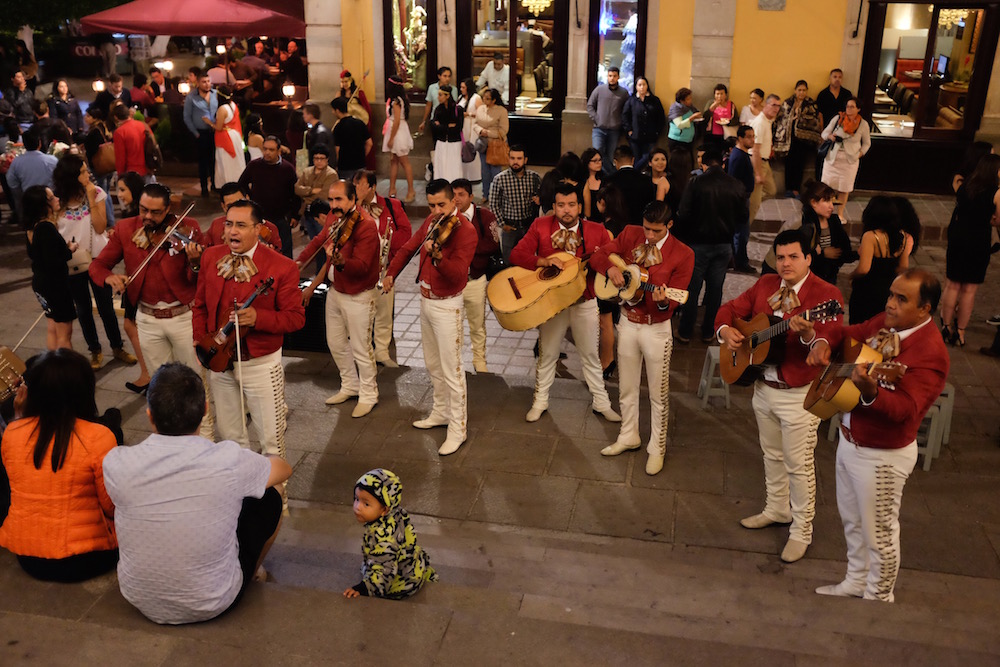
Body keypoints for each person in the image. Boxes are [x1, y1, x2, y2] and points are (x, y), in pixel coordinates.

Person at [103, 363, 291, 624]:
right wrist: (266, 456)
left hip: (138, 595)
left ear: (149, 415)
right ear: (205, 411)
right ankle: (252, 572)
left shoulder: (116, 462)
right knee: (271, 494)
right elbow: (283, 470)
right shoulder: (227, 459)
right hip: (214, 600)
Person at [807, 269, 948, 602]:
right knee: (852, 523)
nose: (891, 304)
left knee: (879, 534)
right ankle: (855, 580)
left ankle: (879, 598)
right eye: (891, 295)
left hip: (882, 456)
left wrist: (871, 391)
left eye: (902, 299)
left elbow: (906, 410)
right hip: (849, 440)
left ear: (925, 309)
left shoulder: (930, 352)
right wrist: (825, 341)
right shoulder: (885, 325)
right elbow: (848, 332)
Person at [715, 229, 844, 563]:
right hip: (763, 387)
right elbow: (730, 309)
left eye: (794, 257)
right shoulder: (766, 284)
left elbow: (829, 337)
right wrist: (726, 331)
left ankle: (802, 530)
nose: (786, 264)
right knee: (771, 454)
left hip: (797, 395)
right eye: (781, 257)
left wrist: (813, 337)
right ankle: (776, 509)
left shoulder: (826, 295)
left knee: (798, 464)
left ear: (809, 258)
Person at [193, 199, 305, 466]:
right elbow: (199, 306)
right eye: (229, 224)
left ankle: (280, 504)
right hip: (219, 362)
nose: (233, 231)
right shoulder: (211, 256)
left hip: (260, 365)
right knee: (231, 440)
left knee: (271, 442)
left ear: (258, 229)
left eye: (241, 225)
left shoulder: (282, 267)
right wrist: (201, 340)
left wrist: (259, 317)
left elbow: (296, 318)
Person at [590, 201, 694, 474]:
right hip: (626, 322)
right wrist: (610, 269)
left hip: (656, 330)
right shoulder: (630, 233)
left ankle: (656, 448)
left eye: (656, 231)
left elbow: (673, 301)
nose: (648, 235)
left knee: (658, 395)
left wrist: (661, 302)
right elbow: (597, 255)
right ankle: (628, 435)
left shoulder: (684, 254)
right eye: (646, 228)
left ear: (669, 226)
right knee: (626, 387)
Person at [90, 183, 207, 421]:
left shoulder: (187, 228)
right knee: (160, 385)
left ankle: (202, 437)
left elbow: (200, 277)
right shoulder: (125, 229)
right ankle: (168, 435)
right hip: (147, 318)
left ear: (168, 211)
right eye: (143, 210)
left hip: (183, 316)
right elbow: (97, 266)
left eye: (155, 212)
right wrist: (110, 277)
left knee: (195, 383)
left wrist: (195, 262)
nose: (147, 217)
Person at [0, 350, 119, 582]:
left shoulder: (12, 433)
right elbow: (111, 506)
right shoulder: (99, 436)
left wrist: (19, 415)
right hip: (88, 557)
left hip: (29, 557)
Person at [510, 181, 621, 425]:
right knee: (547, 354)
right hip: (551, 304)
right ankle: (540, 401)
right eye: (561, 205)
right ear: (553, 207)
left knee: (590, 355)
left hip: (585, 302)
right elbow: (517, 254)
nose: (567, 210)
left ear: (580, 206)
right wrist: (543, 262)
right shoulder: (540, 226)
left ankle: (601, 403)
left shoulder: (598, 231)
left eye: (571, 204)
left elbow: (607, 260)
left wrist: (607, 266)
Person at [382, 179, 477, 456]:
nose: (436, 211)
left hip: (448, 305)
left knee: (453, 370)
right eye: (431, 205)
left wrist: (438, 258)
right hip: (426, 301)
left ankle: (458, 428)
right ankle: (440, 412)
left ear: (454, 202)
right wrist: (391, 274)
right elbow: (409, 248)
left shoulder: (466, 231)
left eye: (441, 205)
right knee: (433, 364)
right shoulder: (430, 222)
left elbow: (459, 274)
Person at [298, 181, 381, 415]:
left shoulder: (366, 226)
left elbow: (363, 267)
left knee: (361, 348)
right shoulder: (335, 219)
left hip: (359, 295)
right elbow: (318, 241)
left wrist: (342, 263)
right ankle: (350, 385)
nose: (334, 205)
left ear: (353, 199)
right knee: (335, 342)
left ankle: (369, 393)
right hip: (335, 290)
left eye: (339, 200)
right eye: (332, 200)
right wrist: (299, 262)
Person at [54, 155, 134, 371]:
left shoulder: (97, 193)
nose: (87, 174)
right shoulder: (57, 202)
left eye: (86, 170)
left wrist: (90, 197)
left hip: (98, 259)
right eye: (82, 172)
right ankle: (95, 350)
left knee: (106, 306)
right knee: (83, 308)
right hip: (72, 263)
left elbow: (100, 227)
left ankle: (117, 347)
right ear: (71, 176)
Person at [673, 147, 748, 344]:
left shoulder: (696, 183)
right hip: (724, 246)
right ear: (723, 164)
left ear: (703, 164)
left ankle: (686, 331)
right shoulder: (736, 185)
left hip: (697, 245)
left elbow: (683, 213)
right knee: (715, 290)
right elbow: (743, 217)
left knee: (693, 289)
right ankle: (708, 331)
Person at [343, 469, 437, 599]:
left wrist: (364, 588)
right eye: (356, 499)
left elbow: (384, 571)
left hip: (401, 583)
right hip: (413, 568)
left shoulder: (383, 538)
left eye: (366, 504)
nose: (357, 507)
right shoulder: (395, 514)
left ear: (384, 509)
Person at [350, 170, 412, 367]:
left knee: (384, 311)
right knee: (361, 313)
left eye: (361, 185)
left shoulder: (391, 206)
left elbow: (406, 232)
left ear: (373, 187)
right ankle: (362, 352)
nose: (357, 189)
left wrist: (385, 242)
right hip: (360, 267)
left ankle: (382, 352)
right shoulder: (350, 208)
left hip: (384, 268)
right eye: (355, 185)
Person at [940, 153, 1000, 347]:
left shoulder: (965, 186)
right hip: (978, 240)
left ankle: (945, 326)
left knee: (952, 285)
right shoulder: (997, 192)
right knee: (969, 290)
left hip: (958, 237)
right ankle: (960, 332)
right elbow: (998, 219)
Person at [453, 178, 500, 373]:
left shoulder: (486, 216)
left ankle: (479, 360)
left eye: (461, 194)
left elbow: (493, 243)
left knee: (477, 325)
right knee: (453, 326)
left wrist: (466, 247)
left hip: (476, 280)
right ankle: (454, 362)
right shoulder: (447, 217)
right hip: (454, 283)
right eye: (453, 195)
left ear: (471, 197)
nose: (456, 199)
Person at [23, 185, 76, 349]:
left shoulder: (32, 228)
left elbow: (38, 255)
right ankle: (65, 371)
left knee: (53, 328)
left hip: (41, 284)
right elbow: (54, 262)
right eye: (52, 198)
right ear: (42, 205)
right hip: (55, 286)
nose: (57, 199)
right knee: (64, 334)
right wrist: (69, 250)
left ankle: (52, 366)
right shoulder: (46, 228)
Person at [113, 173, 152, 393]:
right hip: (132, 277)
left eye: (122, 190)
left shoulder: (140, 216)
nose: (119, 195)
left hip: (138, 280)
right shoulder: (129, 217)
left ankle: (148, 373)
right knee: (131, 326)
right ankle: (147, 372)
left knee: (132, 326)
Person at [849, 196, 915, 325]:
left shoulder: (871, 236)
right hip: (889, 288)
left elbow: (864, 269)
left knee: (860, 327)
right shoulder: (902, 236)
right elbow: (903, 267)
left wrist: (852, 275)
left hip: (867, 289)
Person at [237, 135, 299, 257]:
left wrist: (295, 215)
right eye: (265, 149)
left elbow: (295, 193)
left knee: (284, 252)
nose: (267, 152)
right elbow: (241, 184)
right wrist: (250, 197)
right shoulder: (254, 165)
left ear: (279, 151)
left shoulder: (288, 169)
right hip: (260, 217)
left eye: (271, 150)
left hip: (281, 217)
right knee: (259, 251)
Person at [489, 145, 542, 264]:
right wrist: (503, 225)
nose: (515, 162)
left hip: (529, 225)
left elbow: (541, 197)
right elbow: (493, 204)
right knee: (509, 260)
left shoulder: (534, 177)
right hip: (510, 227)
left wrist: (539, 200)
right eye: (512, 158)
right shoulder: (500, 179)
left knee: (528, 258)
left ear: (525, 160)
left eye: (519, 158)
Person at [820, 97, 871, 218]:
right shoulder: (838, 118)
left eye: (852, 107)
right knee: (827, 188)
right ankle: (826, 212)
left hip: (849, 161)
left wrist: (859, 154)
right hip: (833, 158)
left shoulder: (863, 124)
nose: (849, 109)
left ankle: (840, 214)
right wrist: (830, 136)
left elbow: (867, 143)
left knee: (844, 188)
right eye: (847, 106)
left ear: (858, 109)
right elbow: (824, 133)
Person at [773, 80, 823, 199]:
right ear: (795, 91)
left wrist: (800, 117)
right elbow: (781, 119)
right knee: (789, 164)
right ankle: (788, 189)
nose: (801, 92)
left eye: (804, 90)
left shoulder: (810, 104)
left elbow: (814, 120)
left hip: (803, 141)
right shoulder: (787, 103)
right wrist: (792, 118)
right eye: (799, 90)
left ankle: (796, 189)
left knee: (799, 164)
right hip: (789, 139)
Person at [802, 180, 856, 286]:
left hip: (829, 276)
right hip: (810, 277)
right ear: (813, 203)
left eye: (832, 202)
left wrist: (857, 254)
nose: (831, 206)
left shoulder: (834, 222)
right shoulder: (806, 224)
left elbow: (844, 249)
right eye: (827, 201)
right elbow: (801, 254)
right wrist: (823, 254)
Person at [205, 182, 283, 253]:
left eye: (240, 202)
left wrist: (269, 254)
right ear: (223, 206)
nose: (237, 208)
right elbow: (206, 254)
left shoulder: (269, 228)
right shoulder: (216, 225)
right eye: (230, 205)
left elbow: (280, 259)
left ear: (247, 198)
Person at [6, 127, 57, 222]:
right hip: (49, 200)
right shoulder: (52, 160)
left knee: (32, 228)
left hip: (29, 201)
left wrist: (21, 196)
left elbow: (11, 182)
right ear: (40, 143)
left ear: (24, 145)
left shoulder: (17, 162)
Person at [586, 67, 630, 177]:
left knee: (611, 155)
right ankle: (612, 175)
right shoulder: (599, 90)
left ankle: (607, 177)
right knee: (597, 152)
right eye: (610, 76)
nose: (612, 78)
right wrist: (596, 118)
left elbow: (627, 110)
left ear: (618, 77)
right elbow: (590, 105)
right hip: (599, 129)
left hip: (614, 130)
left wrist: (621, 123)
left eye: (614, 76)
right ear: (607, 76)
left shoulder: (624, 93)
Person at [183, 70, 219, 197]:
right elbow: (186, 117)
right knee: (203, 162)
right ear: (198, 83)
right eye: (204, 82)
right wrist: (195, 133)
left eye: (208, 81)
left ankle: (215, 184)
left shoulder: (215, 94)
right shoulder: (191, 97)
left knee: (214, 160)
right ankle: (204, 187)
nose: (207, 84)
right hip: (201, 133)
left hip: (215, 132)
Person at [749, 94, 782, 229]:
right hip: (758, 162)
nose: (776, 109)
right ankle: (744, 229)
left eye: (778, 106)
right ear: (766, 105)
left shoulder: (768, 121)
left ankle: (747, 203)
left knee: (771, 190)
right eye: (773, 105)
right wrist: (758, 173)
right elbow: (755, 150)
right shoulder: (760, 123)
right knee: (754, 204)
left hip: (765, 162)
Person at [728, 125, 757, 273]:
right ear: (740, 138)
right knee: (741, 233)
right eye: (749, 136)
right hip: (739, 200)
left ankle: (736, 260)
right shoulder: (738, 157)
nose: (752, 139)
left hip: (742, 198)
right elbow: (734, 180)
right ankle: (740, 262)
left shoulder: (742, 154)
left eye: (753, 136)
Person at [204, 85, 245, 188]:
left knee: (226, 163)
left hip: (225, 137)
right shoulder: (233, 105)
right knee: (236, 162)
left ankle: (228, 186)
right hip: (234, 135)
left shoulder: (222, 109)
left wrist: (208, 122)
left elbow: (218, 127)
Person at [815, 68, 853, 179]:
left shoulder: (847, 94)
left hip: (842, 131)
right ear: (830, 78)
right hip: (826, 129)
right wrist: (822, 133)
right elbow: (820, 115)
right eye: (835, 77)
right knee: (821, 157)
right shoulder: (823, 94)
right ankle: (820, 182)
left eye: (840, 77)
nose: (837, 79)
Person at [294, 145, 338, 240]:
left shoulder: (331, 174)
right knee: (313, 241)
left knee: (324, 242)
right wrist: (312, 190)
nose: (319, 161)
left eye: (322, 158)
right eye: (316, 158)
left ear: (327, 159)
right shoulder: (307, 172)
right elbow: (297, 189)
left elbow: (324, 195)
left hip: (322, 214)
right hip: (307, 213)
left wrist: (305, 194)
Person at [605, 144, 656, 226]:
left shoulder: (609, 181)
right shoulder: (646, 180)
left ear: (615, 162)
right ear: (633, 160)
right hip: (640, 227)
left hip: (616, 227)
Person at [621, 76, 665, 172]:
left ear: (647, 86)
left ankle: (633, 173)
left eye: (644, 84)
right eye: (639, 85)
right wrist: (629, 130)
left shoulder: (654, 100)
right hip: (635, 136)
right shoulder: (631, 100)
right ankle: (636, 175)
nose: (642, 87)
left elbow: (661, 117)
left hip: (650, 136)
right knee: (636, 158)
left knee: (647, 157)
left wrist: (657, 131)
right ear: (636, 87)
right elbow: (625, 116)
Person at [473, 88, 510, 201]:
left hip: (496, 144)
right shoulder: (480, 109)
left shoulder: (501, 111)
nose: (485, 100)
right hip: (483, 144)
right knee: (484, 170)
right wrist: (480, 131)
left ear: (494, 100)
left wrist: (488, 133)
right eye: (484, 97)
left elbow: (504, 130)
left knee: (495, 171)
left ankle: (497, 195)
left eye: (488, 98)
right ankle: (486, 194)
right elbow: (475, 124)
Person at [383, 76, 415, 202]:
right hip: (396, 129)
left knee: (404, 161)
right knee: (393, 161)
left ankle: (411, 190)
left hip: (398, 132)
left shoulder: (396, 101)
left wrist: (391, 138)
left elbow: (396, 121)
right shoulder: (399, 99)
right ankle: (392, 189)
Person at [337, 70, 375, 170]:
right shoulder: (339, 94)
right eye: (342, 82)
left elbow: (366, 110)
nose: (344, 84)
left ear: (350, 80)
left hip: (356, 125)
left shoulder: (358, 93)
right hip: (344, 125)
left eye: (346, 81)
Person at [331, 97, 372, 184]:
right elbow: (369, 143)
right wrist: (362, 156)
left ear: (337, 110)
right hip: (360, 164)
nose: (332, 112)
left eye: (333, 110)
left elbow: (337, 149)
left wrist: (336, 164)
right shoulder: (360, 123)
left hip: (345, 166)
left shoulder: (338, 127)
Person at [666, 87, 704, 177]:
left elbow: (694, 115)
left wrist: (697, 118)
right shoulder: (675, 108)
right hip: (677, 140)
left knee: (689, 163)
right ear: (682, 100)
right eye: (688, 98)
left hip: (688, 140)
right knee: (677, 163)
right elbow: (679, 124)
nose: (690, 100)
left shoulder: (690, 107)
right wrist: (692, 118)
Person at [431, 85, 463, 184]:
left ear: (447, 96)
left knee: (454, 165)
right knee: (441, 165)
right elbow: (433, 125)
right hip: (441, 142)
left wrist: (441, 126)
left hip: (454, 142)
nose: (438, 97)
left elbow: (458, 127)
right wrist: (447, 127)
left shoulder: (458, 109)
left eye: (440, 95)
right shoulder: (438, 109)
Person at [111, 104, 150, 180]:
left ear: (116, 117)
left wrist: (120, 175)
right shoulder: (143, 125)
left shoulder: (120, 132)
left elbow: (120, 157)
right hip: (148, 168)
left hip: (131, 172)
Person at [457, 77, 483, 184]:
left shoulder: (476, 98)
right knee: (463, 150)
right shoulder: (460, 98)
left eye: (463, 87)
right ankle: (464, 175)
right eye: (461, 87)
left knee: (471, 149)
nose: (461, 89)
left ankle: (474, 176)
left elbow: (482, 113)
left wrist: (468, 114)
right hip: (462, 126)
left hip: (472, 126)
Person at [418, 66, 453, 135]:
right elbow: (428, 105)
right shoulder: (432, 88)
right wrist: (424, 121)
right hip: (435, 119)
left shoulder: (453, 89)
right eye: (445, 76)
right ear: (439, 76)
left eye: (449, 76)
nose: (447, 79)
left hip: (448, 121)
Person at [703, 83, 738, 153]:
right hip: (712, 135)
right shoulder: (711, 103)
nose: (719, 96)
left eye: (721, 94)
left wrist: (728, 122)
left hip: (726, 135)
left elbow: (736, 119)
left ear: (726, 95)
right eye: (717, 94)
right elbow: (705, 117)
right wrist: (712, 108)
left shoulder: (731, 105)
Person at [581, 147, 604, 221]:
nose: (599, 163)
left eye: (600, 160)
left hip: (601, 220)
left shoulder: (605, 180)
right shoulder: (581, 181)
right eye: (595, 161)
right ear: (587, 162)